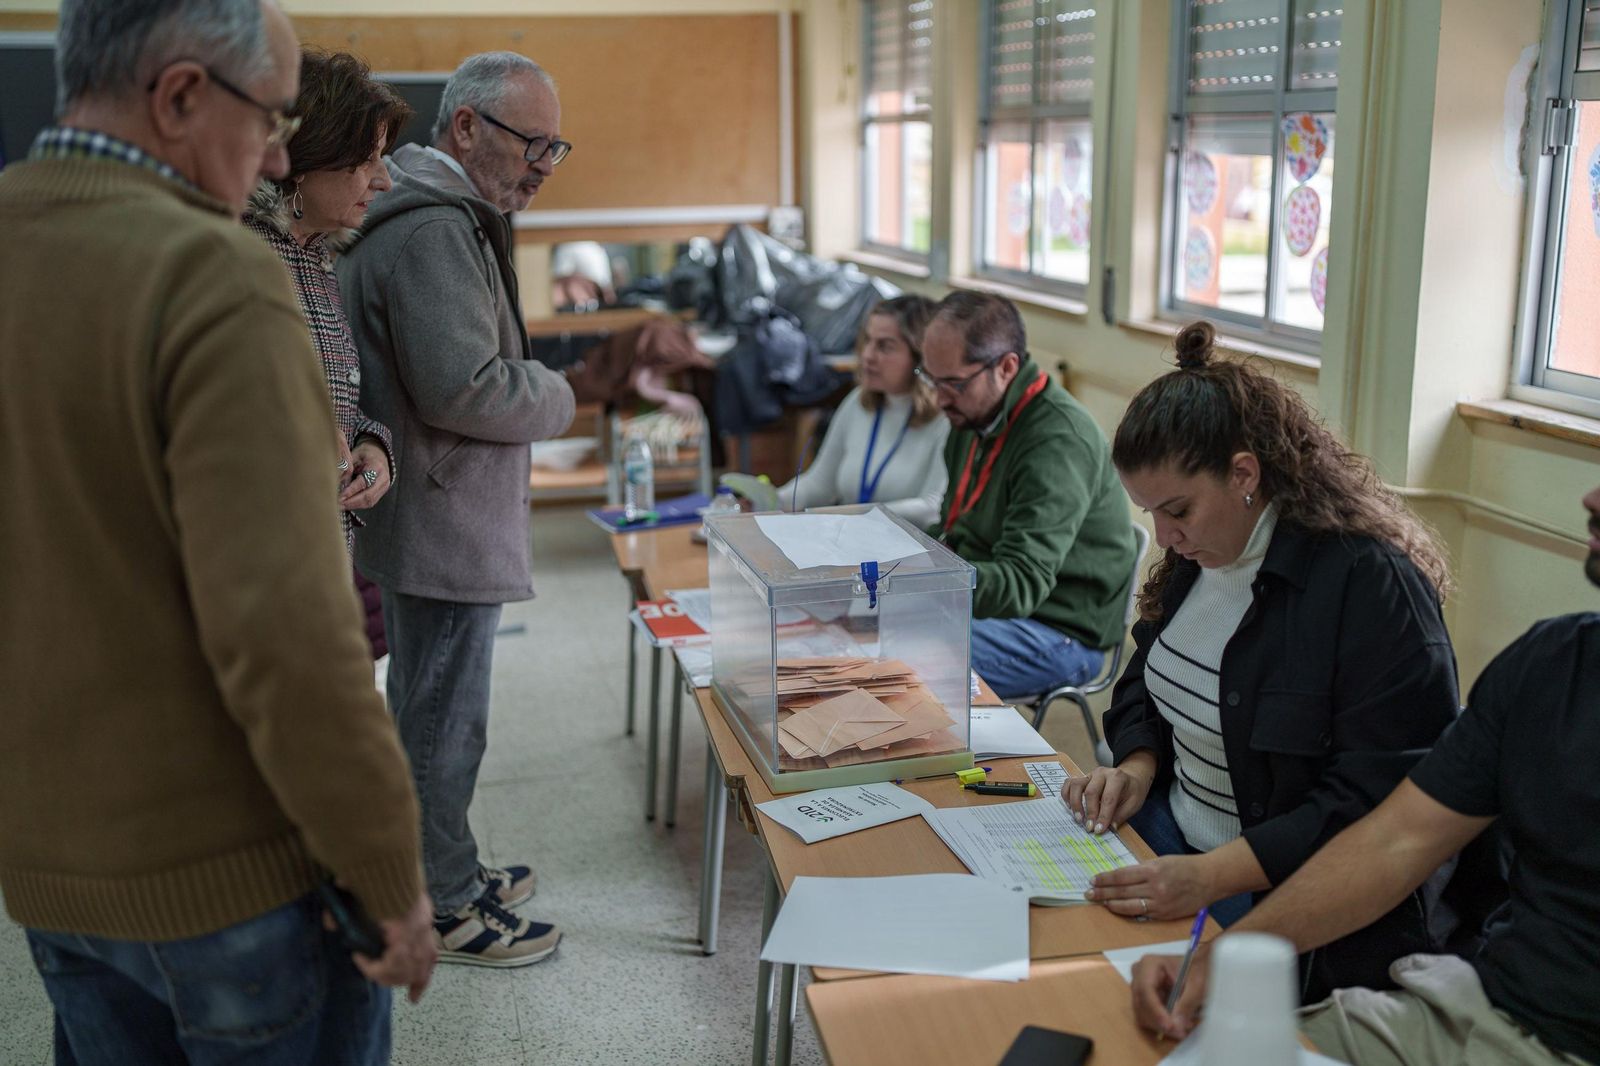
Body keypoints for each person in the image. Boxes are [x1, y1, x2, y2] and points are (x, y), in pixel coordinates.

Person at [0, 1, 434, 1062]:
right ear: (183, 95)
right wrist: (387, 869)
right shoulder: (217, 273)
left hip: (48, 867)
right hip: (228, 880)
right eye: (273, 119)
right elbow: (289, 634)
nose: (279, 155)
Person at [1130, 484, 1600, 1066]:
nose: (1590, 497)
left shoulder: (1370, 583)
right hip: (1481, 1009)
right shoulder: (1552, 659)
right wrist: (1221, 962)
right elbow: (1394, 841)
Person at [1070, 321, 1459, 1000]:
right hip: (1175, 838)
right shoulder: (1205, 551)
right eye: (1150, 513)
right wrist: (1136, 764)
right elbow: (1145, 682)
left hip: (1283, 894)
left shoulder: (1369, 586)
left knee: (1129, 1003)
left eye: (1176, 510)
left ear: (1244, 474)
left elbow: (1376, 807)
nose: (1164, 536)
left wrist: (1213, 876)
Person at [336, 50, 577, 968]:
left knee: (428, 709)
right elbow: (464, 387)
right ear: (466, 126)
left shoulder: (440, 211)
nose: (543, 166)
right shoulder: (434, 229)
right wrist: (557, 393)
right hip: (442, 521)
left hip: (433, 511)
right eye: (531, 144)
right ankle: (440, 903)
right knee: (443, 721)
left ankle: (446, 865)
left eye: (555, 148)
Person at [242, 48, 409, 660]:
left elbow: (329, 405)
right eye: (366, 162)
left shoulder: (316, 259)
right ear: (303, 165)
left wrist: (372, 446)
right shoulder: (235, 259)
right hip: (262, 582)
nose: (384, 180)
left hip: (322, 566)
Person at [921, 290, 1136, 700]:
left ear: (1006, 367)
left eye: (953, 383)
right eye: (931, 378)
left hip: (1061, 629)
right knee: (873, 628)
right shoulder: (973, 417)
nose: (939, 397)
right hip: (998, 611)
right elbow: (955, 528)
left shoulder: (1057, 442)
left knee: (903, 661)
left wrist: (925, 583)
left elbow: (1022, 582)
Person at [772, 295, 949, 526]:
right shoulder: (857, 402)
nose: (867, 355)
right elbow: (820, 484)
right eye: (868, 341)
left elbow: (932, 509)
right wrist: (768, 500)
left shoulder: (946, 418)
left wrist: (850, 517)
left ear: (921, 357)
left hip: (902, 547)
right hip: (850, 536)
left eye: (885, 346)